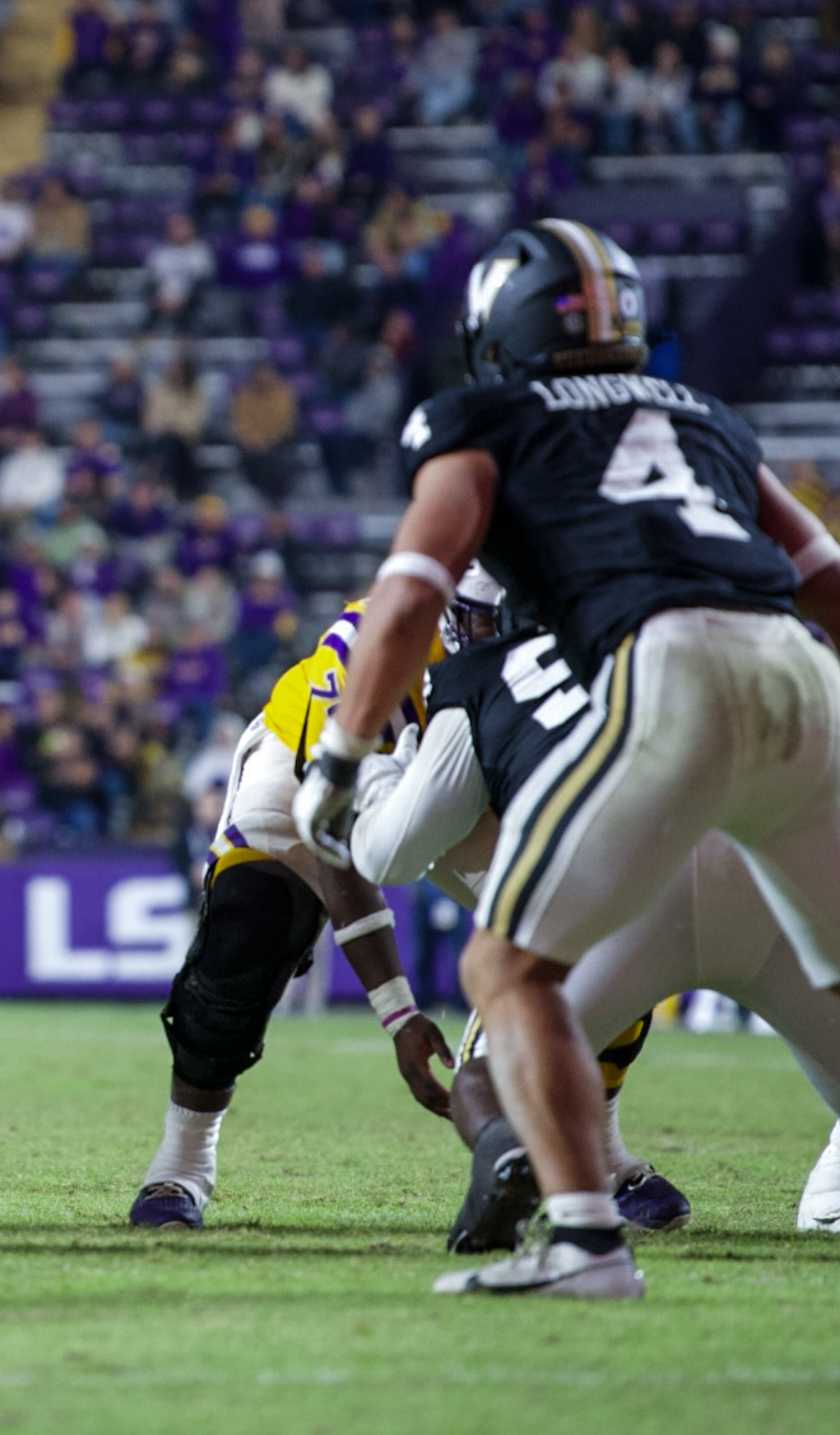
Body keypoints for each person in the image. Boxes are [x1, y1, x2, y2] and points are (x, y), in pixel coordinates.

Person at [296, 219, 840, 1298]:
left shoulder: (480, 416)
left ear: (498, 329)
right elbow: (824, 578)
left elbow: (407, 593)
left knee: (503, 968)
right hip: (803, 676)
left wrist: (345, 754)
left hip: (669, 666)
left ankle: (588, 1243)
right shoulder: (707, 419)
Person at [348, 578, 840, 1247]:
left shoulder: (476, 675)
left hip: (626, 889)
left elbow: (391, 854)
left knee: (488, 1077)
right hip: (759, 871)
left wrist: (384, 765)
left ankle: (535, 1174)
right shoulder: (656, 624)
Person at [126, 587, 457, 1229]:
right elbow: (332, 839)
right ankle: (183, 1163)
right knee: (247, 932)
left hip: (487, 765)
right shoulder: (371, 646)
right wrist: (399, 1015)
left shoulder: (573, 644)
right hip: (314, 756)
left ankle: (599, 1158)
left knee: (580, 908)